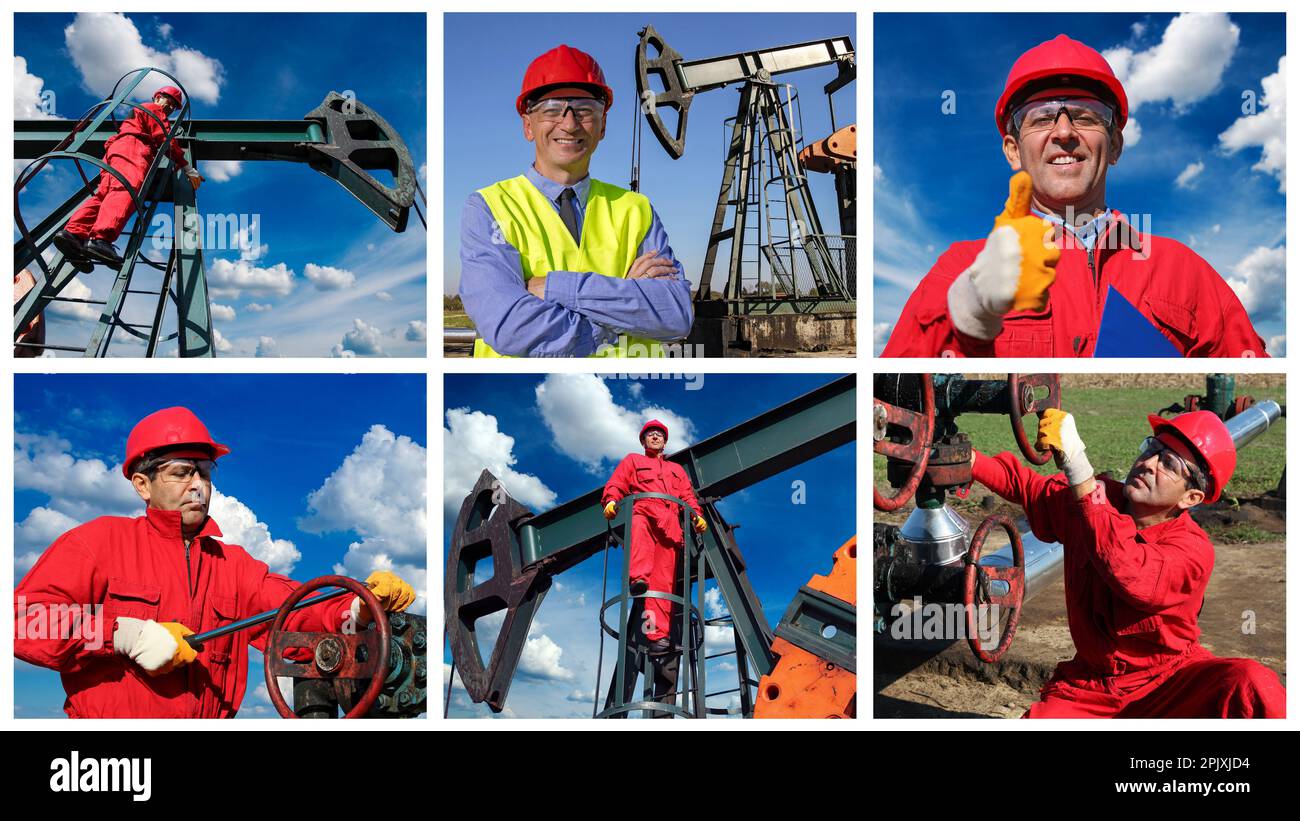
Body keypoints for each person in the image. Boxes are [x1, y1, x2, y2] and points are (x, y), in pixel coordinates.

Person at [14, 406, 417, 718]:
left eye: (205, 474)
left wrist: (356, 607)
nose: (198, 487)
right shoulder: (97, 542)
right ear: (142, 484)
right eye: (182, 472)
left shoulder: (234, 566)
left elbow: (292, 614)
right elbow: (23, 621)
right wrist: (122, 634)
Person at [882, 34, 1265, 358]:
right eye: (1043, 117)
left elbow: (1252, 377)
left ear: (1114, 145)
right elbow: (896, 382)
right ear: (1013, 150)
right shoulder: (962, 267)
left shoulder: (1184, 272)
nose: (1064, 132)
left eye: (1085, 116)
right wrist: (968, 307)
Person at [971, 406, 1285, 717]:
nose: (1147, 464)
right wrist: (968, 461)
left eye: (1169, 464)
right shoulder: (1098, 498)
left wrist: (1080, 470)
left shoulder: (1193, 550)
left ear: (1191, 498)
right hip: (1092, 687)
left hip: (1171, 683)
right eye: (1151, 449)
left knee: (1252, 684)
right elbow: (1028, 486)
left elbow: (1128, 569)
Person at [459, 45, 694, 357]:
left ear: (603, 125)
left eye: (584, 109)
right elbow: (511, 328)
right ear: (528, 126)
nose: (569, 124)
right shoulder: (488, 207)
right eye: (552, 108)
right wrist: (620, 309)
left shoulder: (636, 209)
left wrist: (559, 288)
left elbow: (675, 315)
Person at [53, 85, 204, 267]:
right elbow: (164, 138)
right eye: (168, 101)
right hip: (134, 148)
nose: (170, 107)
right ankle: (101, 240)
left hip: (117, 150)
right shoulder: (154, 110)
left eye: (174, 106)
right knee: (127, 188)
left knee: (104, 195)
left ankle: (73, 235)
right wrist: (186, 166)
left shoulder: (139, 112)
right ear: (157, 98)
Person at [601, 420, 707, 654]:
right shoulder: (633, 460)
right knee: (639, 543)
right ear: (643, 440)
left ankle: (658, 637)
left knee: (663, 583)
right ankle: (637, 579)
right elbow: (618, 482)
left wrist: (696, 516)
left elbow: (688, 496)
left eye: (659, 434)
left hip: (669, 525)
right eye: (650, 434)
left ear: (665, 441)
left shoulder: (676, 470)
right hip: (644, 512)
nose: (655, 437)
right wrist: (610, 500)